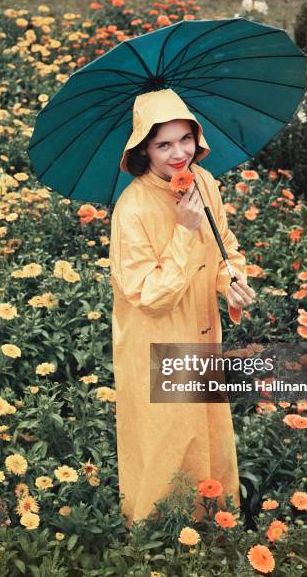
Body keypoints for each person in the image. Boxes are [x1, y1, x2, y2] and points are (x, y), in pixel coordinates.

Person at [109, 88, 255, 528]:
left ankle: (212, 516)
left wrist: (232, 283)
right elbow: (149, 295)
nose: (179, 154)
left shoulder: (205, 183)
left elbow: (224, 248)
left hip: (202, 330)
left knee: (206, 426)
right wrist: (184, 231)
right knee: (166, 432)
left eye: (185, 139)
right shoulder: (131, 208)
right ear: (143, 150)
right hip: (154, 339)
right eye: (164, 144)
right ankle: (159, 529)